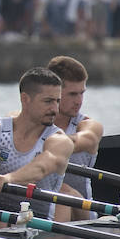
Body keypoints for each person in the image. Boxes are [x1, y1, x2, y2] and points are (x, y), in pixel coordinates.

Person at [0, 67, 75, 230]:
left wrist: (7, 179)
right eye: (48, 101)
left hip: (38, 224)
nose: (55, 109)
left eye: (57, 101)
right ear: (25, 99)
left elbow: (39, 168)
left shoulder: (59, 140)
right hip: (0, 219)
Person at [48, 55, 104, 222]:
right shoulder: (31, 122)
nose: (79, 101)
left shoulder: (88, 126)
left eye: (82, 93)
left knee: (61, 193)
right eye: (72, 94)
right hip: (38, 205)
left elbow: (87, 139)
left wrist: (40, 143)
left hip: (81, 214)